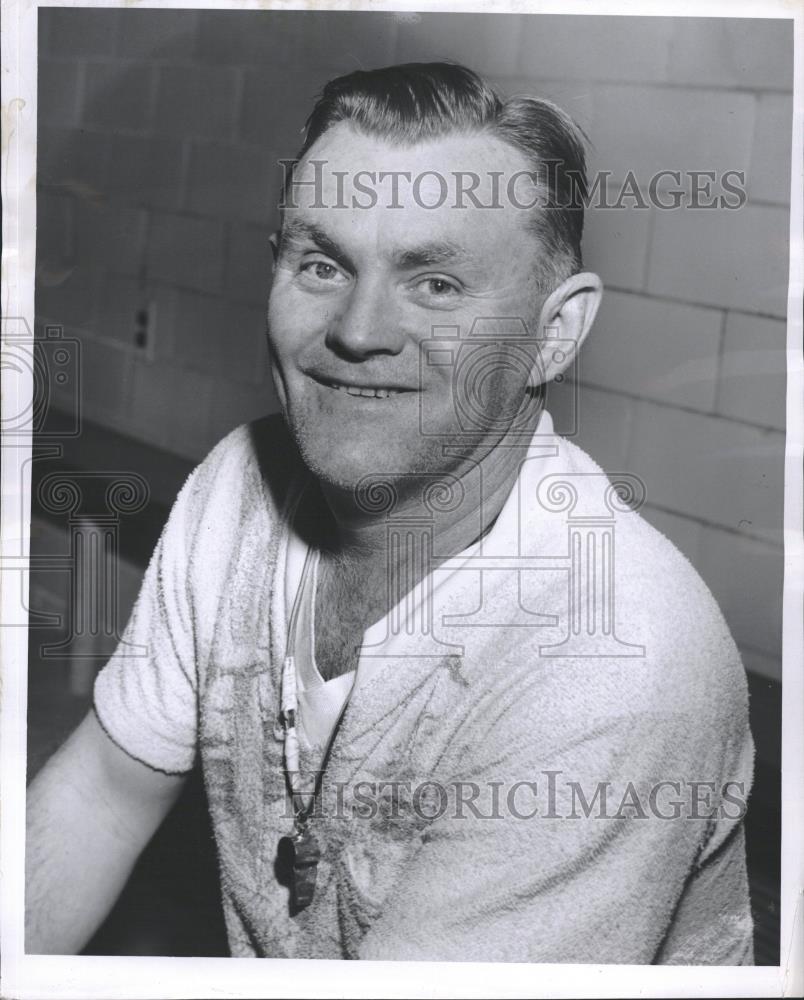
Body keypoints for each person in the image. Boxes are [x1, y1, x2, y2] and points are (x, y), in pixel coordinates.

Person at [26, 62, 754, 963]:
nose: (358, 330)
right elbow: (104, 790)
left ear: (554, 332)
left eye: (437, 283)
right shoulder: (240, 487)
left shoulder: (611, 666)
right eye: (323, 263)